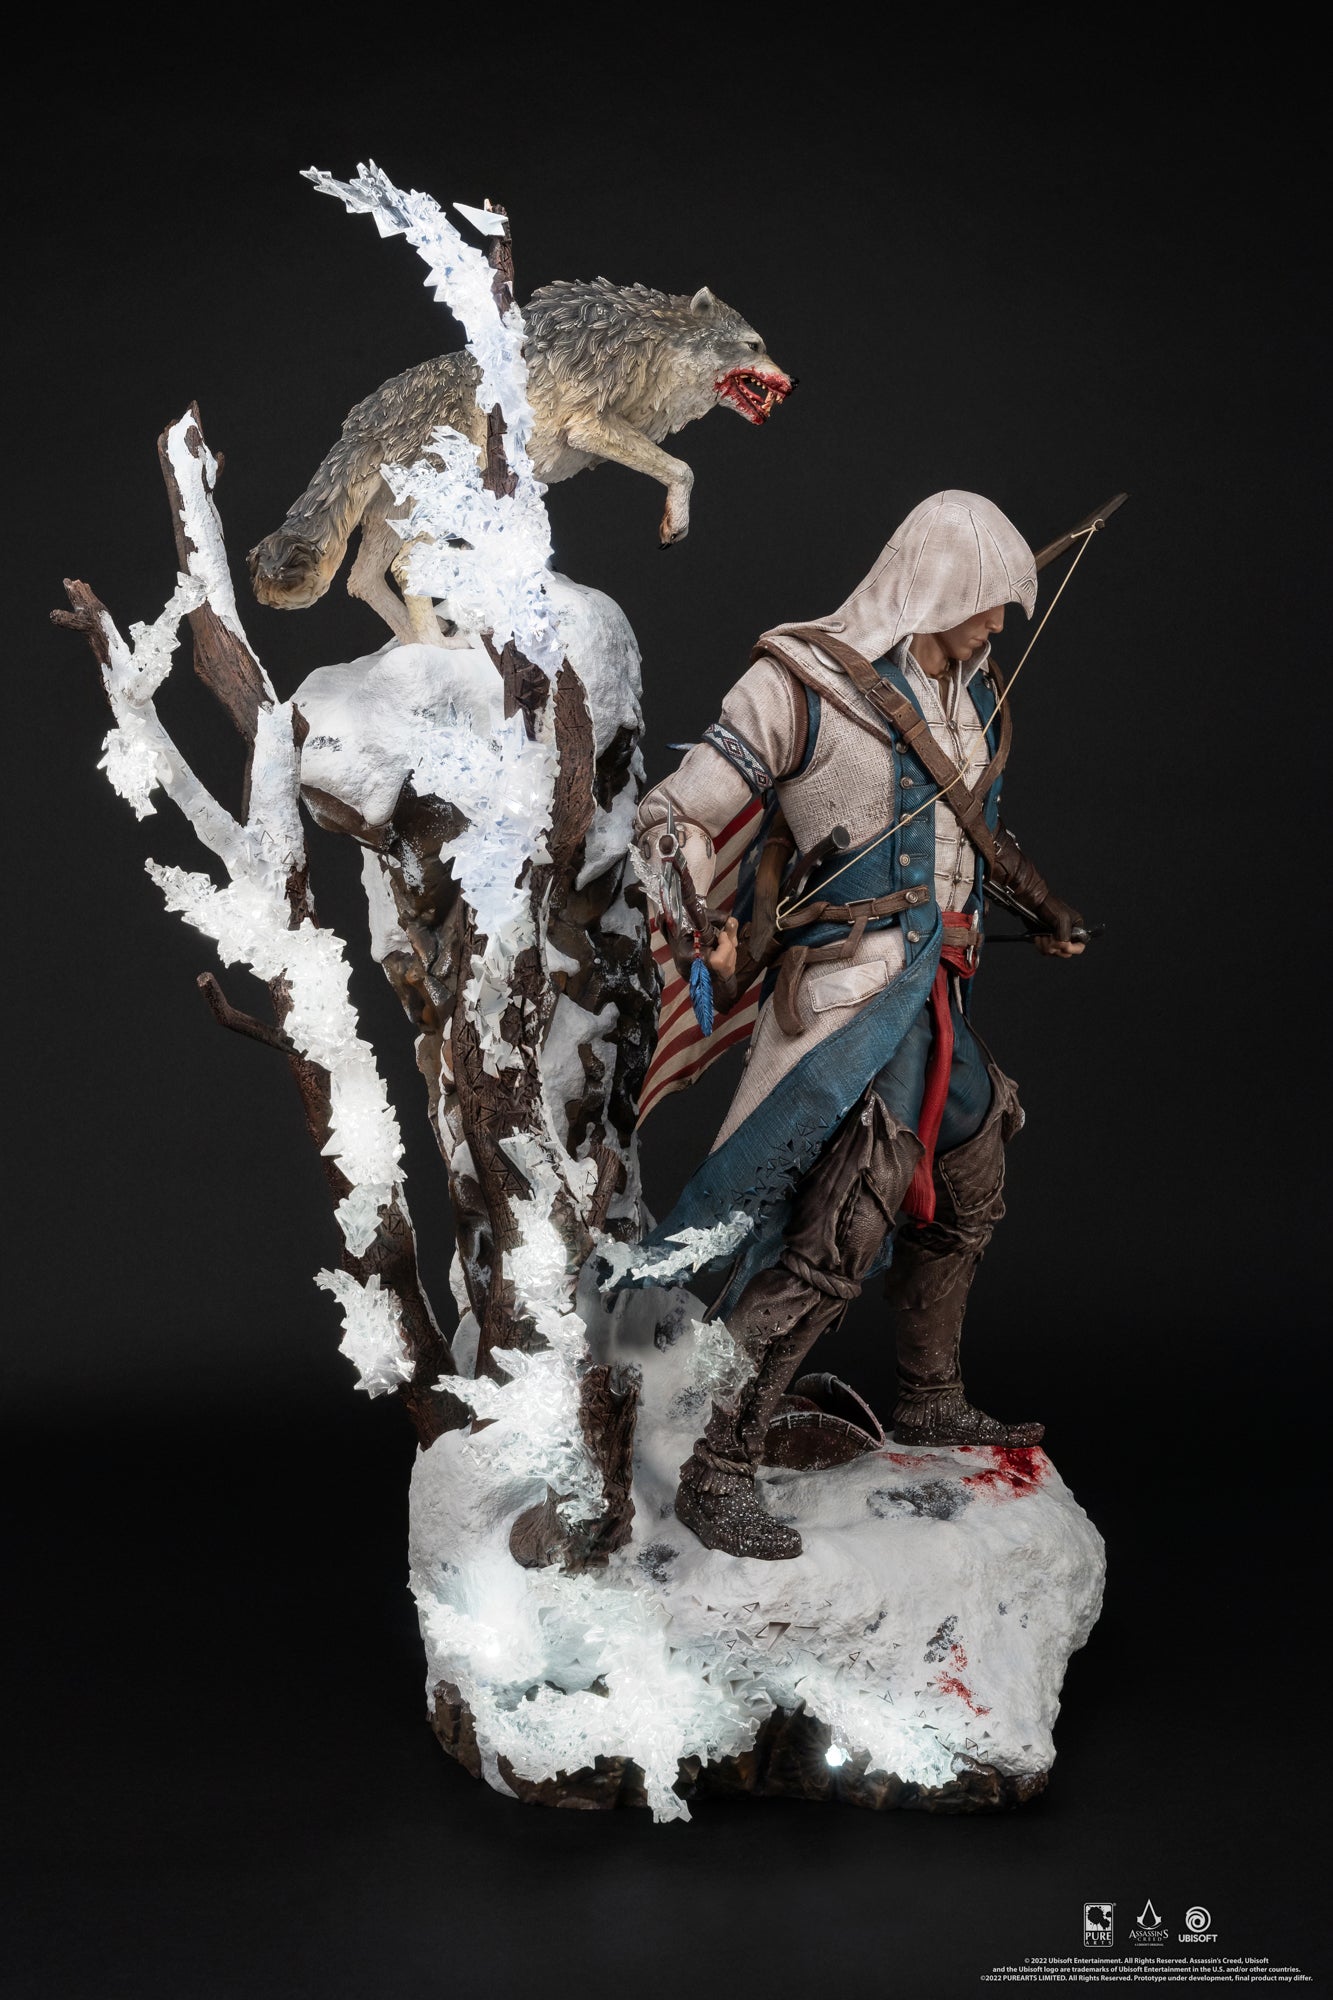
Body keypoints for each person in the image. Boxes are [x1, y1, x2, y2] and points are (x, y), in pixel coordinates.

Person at [631, 491, 1087, 1561]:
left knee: (971, 1166)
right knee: (843, 1222)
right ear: (931, 587)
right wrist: (698, 919)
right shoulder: (797, 683)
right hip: (850, 993)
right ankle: (718, 1469)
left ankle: (926, 1398)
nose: (995, 626)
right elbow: (674, 814)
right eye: (982, 602)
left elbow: (972, 835)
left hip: (935, 989)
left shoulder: (971, 693)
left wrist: (1042, 905)